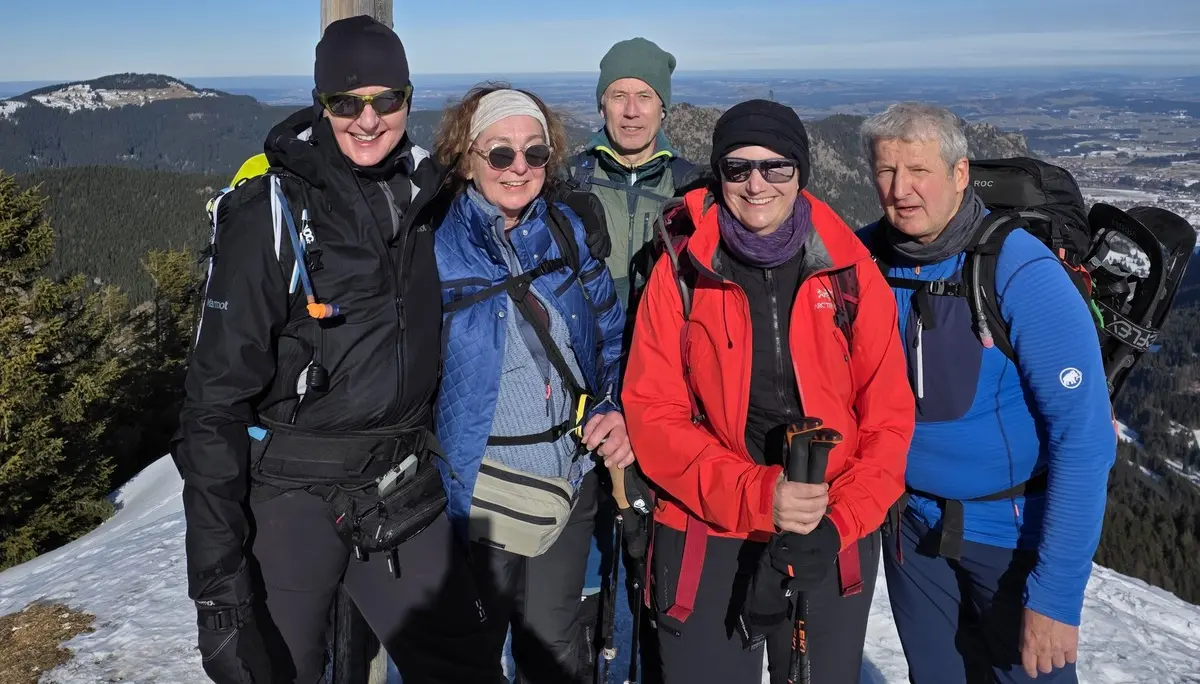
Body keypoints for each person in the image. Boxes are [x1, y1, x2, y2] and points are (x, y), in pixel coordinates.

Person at [171, 16, 504, 683]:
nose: (368, 119)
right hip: (292, 495)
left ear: (410, 98)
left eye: (386, 99)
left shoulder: (426, 194)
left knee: (465, 667)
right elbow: (212, 405)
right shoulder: (272, 209)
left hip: (397, 481)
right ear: (321, 103)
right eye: (345, 102)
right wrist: (219, 590)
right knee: (281, 670)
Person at [621, 98, 915, 684]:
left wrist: (838, 522)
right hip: (709, 527)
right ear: (719, 173)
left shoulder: (850, 271)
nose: (757, 184)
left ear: (801, 171)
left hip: (828, 530)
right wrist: (759, 494)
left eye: (776, 166)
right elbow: (653, 413)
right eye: (737, 168)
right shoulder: (682, 269)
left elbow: (888, 423)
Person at [856, 102, 1117, 683]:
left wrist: (1054, 596)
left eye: (918, 171)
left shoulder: (1019, 270)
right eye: (886, 172)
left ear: (959, 173)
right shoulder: (865, 257)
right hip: (910, 532)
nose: (901, 190)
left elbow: (1087, 441)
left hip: (1009, 541)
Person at [430, 84, 632, 684]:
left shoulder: (566, 229)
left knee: (554, 648)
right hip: (479, 493)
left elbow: (609, 338)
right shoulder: (434, 247)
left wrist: (612, 405)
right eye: (499, 154)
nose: (519, 168)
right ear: (466, 158)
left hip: (568, 483)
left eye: (534, 153)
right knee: (472, 652)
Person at [565, 36, 700, 683]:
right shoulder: (566, 182)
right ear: (601, 104)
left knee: (656, 566)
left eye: (644, 95)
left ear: (664, 107)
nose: (631, 109)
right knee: (581, 566)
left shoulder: (695, 190)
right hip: (578, 400)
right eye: (618, 94)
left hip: (665, 401)